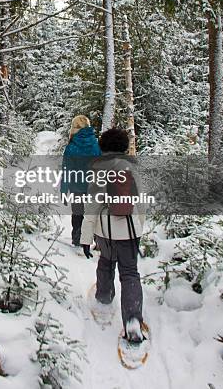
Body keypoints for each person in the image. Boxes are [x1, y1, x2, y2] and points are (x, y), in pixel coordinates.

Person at [80, 127, 145, 343]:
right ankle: (133, 321)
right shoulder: (132, 167)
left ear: (103, 146)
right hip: (130, 230)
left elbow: (92, 208)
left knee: (106, 263)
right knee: (130, 273)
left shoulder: (99, 169)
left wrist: (86, 239)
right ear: (125, 147)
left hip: (105, 231)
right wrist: (139, 230)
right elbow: (141, 202)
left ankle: (104, 299)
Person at [60, 115, 101, 246]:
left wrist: (64, 190)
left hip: (76, 186)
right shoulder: (96, 144)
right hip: (93, 186)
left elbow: (67, 170)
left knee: (78, 213)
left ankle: (77, 237)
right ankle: (96, 239)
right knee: (93, 214)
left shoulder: (72, 147)